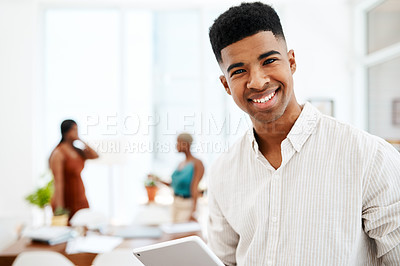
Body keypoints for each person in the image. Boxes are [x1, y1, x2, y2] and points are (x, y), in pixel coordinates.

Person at [207, 2, 400, 265]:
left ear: (292, 61)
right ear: (226, 85)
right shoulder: (223, 172)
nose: (258, 81)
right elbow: (223, 261)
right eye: (239, 71)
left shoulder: (369, 157)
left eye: (269, 60)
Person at [49, 119, 99, 220]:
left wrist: (80, 140)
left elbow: (95, 155)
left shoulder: (77, 151)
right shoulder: (58, 153)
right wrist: (59, 208)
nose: (77, 132)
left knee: (85, 225)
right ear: (66, 132)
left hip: (80, 197)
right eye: (74, 130)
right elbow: (58, 182)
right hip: (66, 198)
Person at [150, 133, 204, 223]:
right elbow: (173, 184)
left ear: (185, 144)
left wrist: (194, 212)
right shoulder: (180, 164)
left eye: (178, 143)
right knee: (174, 233)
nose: (176, 146)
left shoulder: (197, 164)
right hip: (175, 203)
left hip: (187, 205)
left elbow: (194, 188)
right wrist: (157, 179)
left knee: (182, 232)